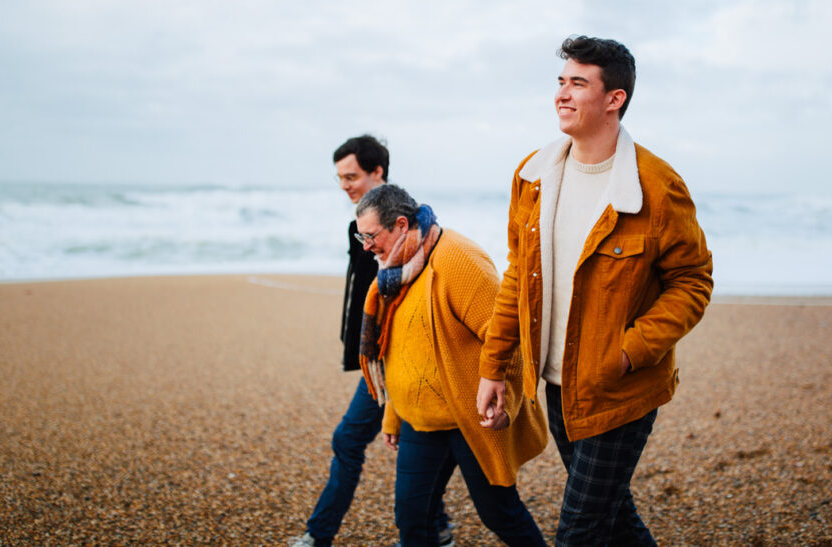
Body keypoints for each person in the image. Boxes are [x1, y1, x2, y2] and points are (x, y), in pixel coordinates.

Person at [476, 36, 713, 546]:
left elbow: (692, 282)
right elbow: (519, 275)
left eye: (578, 83)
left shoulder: (656, 185)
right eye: (561, 82)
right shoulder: (533, 175)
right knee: (616, 520)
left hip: (620, 388)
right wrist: (495, 367)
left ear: (614, 99)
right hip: (557, 387)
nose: (562, 94)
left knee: (579, 531)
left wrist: (628, 352)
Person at [356, 184, 548, 547]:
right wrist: (393, 414)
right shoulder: (396, 270)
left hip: (470, 418)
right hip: (421, 421)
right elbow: (400, 352)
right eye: (360, 235)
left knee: (499, 514)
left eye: (370, 236)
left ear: (400, 225)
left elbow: (508, 339)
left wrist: (504, 403)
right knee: (412, 518)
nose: (365, 246)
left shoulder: (457, 260)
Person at [291, 136, 453, 547]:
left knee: (351, 440)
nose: (344, 185)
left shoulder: (409, 227)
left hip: (397, 357)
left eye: (352, 176)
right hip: (377, 355)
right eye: (340, 178)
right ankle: (437, 528)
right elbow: (360, 288)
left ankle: (318, 534)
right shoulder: (360, 225)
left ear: (377, 172)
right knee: (420, 448)